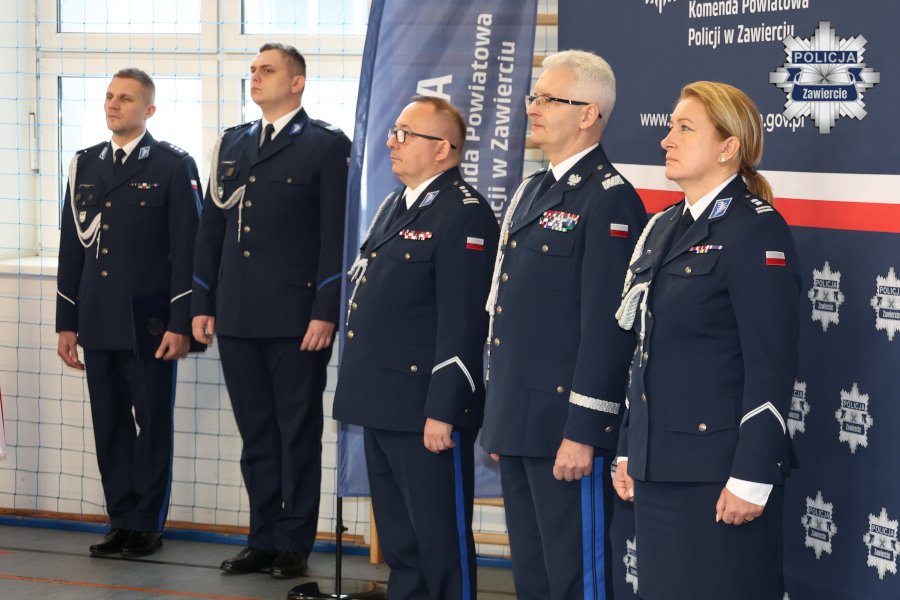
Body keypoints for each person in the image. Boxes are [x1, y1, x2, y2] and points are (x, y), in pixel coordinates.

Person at [612, 81, 801, 599]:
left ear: (728, 147)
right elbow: (645, 352)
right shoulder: (662, 226)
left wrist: (751, 476)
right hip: (658, 470)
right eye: (670, 126)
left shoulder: (755, 230)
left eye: (685, 128)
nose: (666, 139)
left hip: (720, 478)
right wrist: (629, 447)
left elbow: (771, 363)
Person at [480, 50, 647, 599]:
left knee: (575, 577)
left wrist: (584, 432)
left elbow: (609, 328)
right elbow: (508, 313)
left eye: (549, 99)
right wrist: (501, 416)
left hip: (565, 429)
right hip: (521, 419)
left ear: (588, 114)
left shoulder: (610, 199)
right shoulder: (531, 190)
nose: (533, 107)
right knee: (533, 573)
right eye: (534, 97)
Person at [191, 43, 350, 578]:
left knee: (296, 432)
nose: (255, 77)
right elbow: (211, 229)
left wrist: (326, 309)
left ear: (297, 82)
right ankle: (262, 538)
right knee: (256, 434)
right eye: (253, 70)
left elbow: (336, 236)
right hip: (237, 314)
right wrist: (202, 300)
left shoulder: (326, 145)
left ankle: (293, 543)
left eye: (267, 70)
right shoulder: (232, 144)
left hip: (295, 319)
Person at [331, 96, 499, 600]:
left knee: (439, 541)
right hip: (381, 399)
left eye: (406, 134)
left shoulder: (464, 213)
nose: (392, 142)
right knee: (402, 542)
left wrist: (444, 409)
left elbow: (463, 322)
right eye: (393, 132)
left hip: (425, 408)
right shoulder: (395, 205)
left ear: (443, 148)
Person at [56, 68, 202, 557]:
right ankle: (120, 520)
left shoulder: (172, 165)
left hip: (149, 324)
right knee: (110, 424)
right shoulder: (85, 164)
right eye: (109, 97)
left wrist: (181, 323)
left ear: (149, 110)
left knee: (152, 427)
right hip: (97, 319)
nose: (113, 105)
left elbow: (188, 251)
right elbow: (71, 248)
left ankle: (146, 525)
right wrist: (67, 323)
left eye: (125, 98)